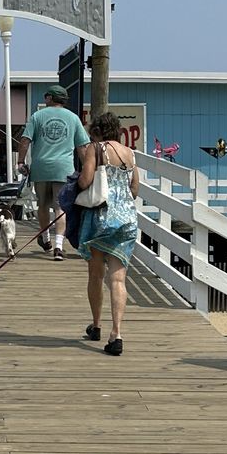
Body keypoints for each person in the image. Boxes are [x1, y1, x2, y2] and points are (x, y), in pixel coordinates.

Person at [77, 112, 139, 355]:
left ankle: (96, 325)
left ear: (97, 131)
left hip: (101, 217)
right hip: (127, 219)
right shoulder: (130, 153)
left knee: (96, 274)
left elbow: (85, 180)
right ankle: (117, 333)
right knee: (118, 279)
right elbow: (135, 189)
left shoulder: (96, 148)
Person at [17, 84, 90, 260]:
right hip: (63, 169)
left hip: (41, 168)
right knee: (60, 207)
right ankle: (59, 246)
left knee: (42, 205)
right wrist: (87, 168)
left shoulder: (37, 116)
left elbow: (25, 140)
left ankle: (45, 239)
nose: (45, 99)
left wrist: (20, 161)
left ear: (50, 98)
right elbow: (82, 147)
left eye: (46, 96)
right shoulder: (73, 118)